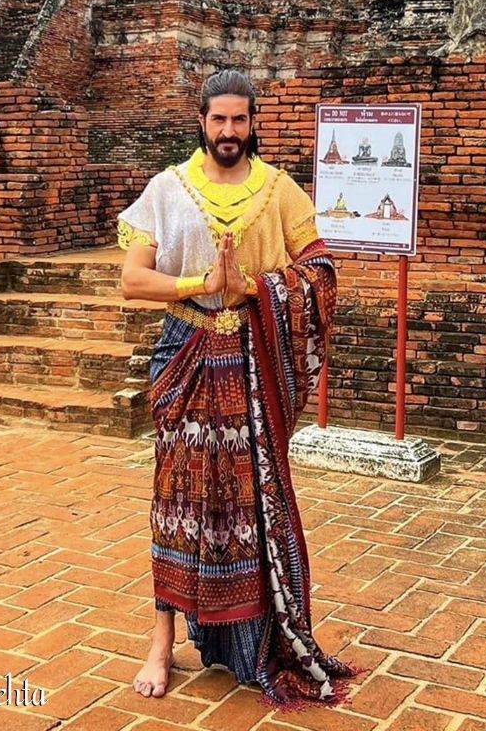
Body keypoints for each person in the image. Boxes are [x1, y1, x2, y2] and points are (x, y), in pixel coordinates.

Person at [116, 68, 365, 709]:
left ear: (253, 124)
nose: (229, 131)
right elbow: (132, 280)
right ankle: (161, 640)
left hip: (251, 360)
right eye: (218, 119)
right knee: (177, 498)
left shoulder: (278, 191)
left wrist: (255, 287)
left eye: (240, 120)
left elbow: (321, 268)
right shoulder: (166, 191)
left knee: (250, 501)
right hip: (186, 351)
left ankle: (251, 637)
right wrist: (198, 282)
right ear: (201, 121)